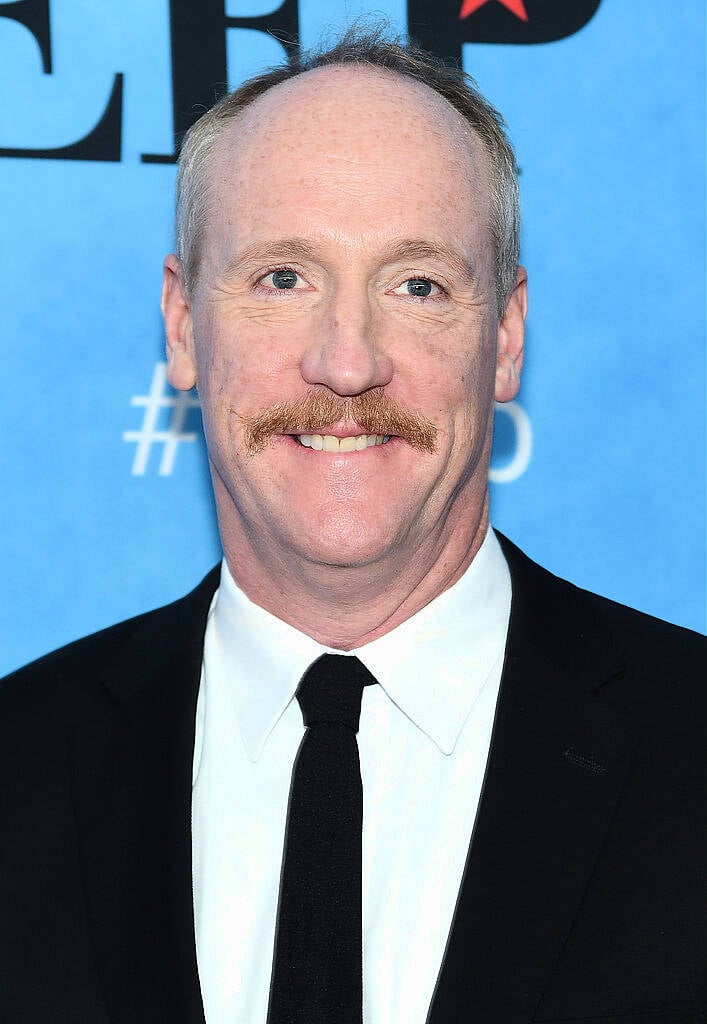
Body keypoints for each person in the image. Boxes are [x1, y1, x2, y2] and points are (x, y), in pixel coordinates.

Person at [1, 27, 704, 1024]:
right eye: (282, 279)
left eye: (414, 285)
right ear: (180, 324)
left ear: (502, 339)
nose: (344, 361)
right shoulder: (18, 770)